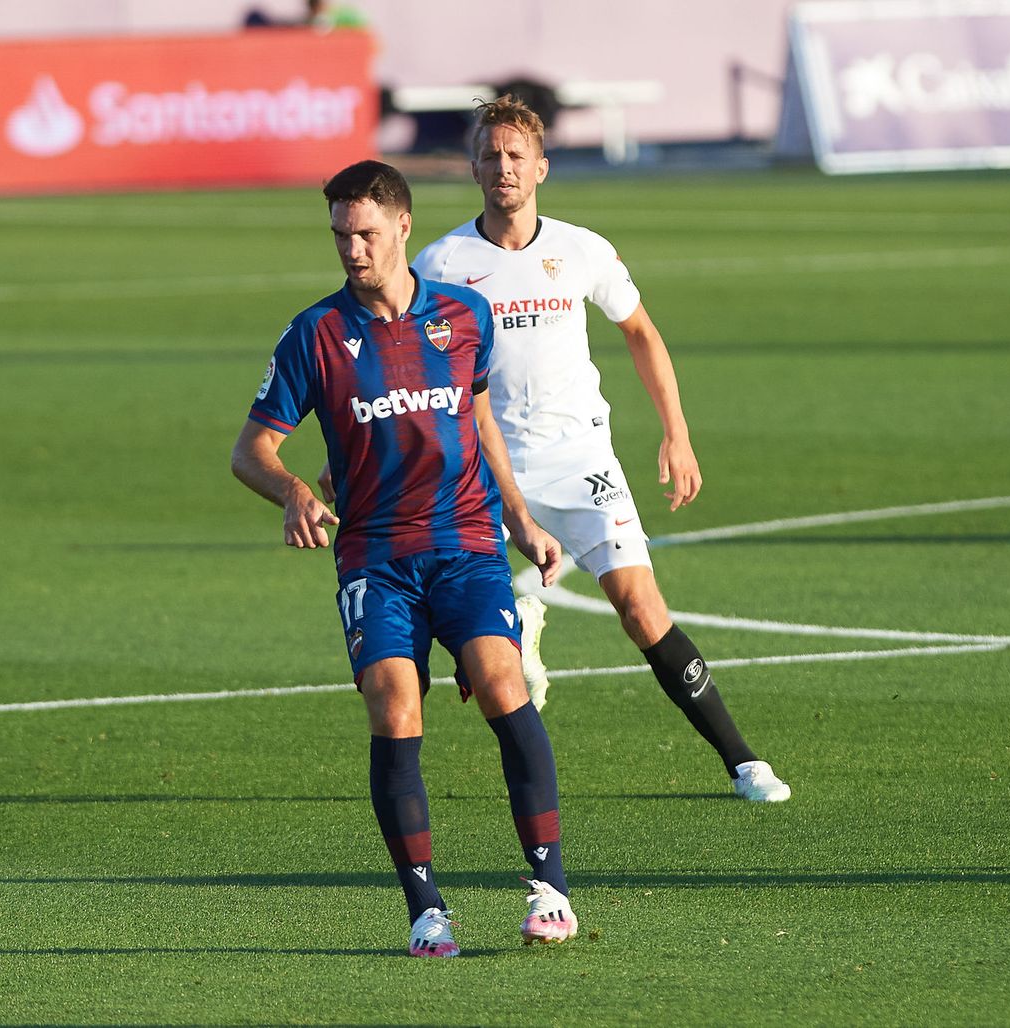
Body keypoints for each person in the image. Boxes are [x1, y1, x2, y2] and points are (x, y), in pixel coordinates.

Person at [230, 160, 580, 957]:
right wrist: (292, 490)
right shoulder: (315, 334)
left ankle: (550, 890)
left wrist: (520, 518)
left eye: (365, 234)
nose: (351, 250)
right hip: (376, 558)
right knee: (395, 708)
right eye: (340, 235)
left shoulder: (464, 316)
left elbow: (480, 420)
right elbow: (251, 451)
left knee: (502, 683)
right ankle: (426, 910)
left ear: (403, 227)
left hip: (465, 542)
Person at [410, 94, 791, 803]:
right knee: (463, 633)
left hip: (579, 459)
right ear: (472, 167)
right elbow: (410, 367)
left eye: (516, 155)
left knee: (642, 609)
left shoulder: (580, 249)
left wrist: (677, 433)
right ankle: (511, 631)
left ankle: (744, 763)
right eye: (490, 155)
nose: (503, 167)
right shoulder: (440, 263)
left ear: (541, 168)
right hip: (485, 469)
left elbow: (640, 331)